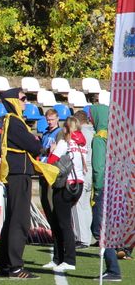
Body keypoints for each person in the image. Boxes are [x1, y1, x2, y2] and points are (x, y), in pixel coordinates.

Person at [0, 88, 57, 279]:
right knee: (19, 221)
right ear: (13, 101)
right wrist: (43, 147)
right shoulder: (14, 121)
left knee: (12, 220)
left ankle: (6, 265)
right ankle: (15, 267)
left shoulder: (11, 120)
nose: (25, 102)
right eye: (22, 98)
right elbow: (33, 146)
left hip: (16, 173)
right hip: (19, 174)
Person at [42, 116, 87, 271]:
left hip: (65, 185)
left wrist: (52, 151)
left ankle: (68, 260)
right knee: (59, 220)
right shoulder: (82, 145)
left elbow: (51, 161)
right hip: (78, 185)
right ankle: (58, 258)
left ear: (66, 128)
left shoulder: (64, 142)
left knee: (63, 224)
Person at [89, 103, 123, 281]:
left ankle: (113, 269)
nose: (90, 120)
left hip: (105, 187)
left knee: (99, 227)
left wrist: (98, 188)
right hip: (118, 186)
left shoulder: (99, 138)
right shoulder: (116, 137)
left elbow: (98, 167)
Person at [72, 110, 95, 247]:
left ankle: (81, 238)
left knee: (78, 204)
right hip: (90, 172)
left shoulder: (81, 134)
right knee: (86, 206)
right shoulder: (93, 132)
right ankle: (88, 237)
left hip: (82, 170)